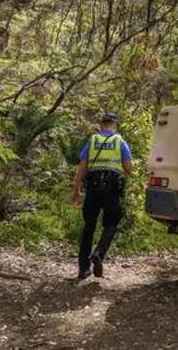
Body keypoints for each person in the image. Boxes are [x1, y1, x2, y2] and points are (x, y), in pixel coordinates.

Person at [72, 113, 133, 279]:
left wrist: (76, 188)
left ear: (101, 125)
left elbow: (82, 166)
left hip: (92, 188)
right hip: (111, 188)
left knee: (88, 227)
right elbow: (129, 167)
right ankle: (99, 252)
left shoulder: (92, 141)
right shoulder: (119, 142)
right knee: (113, 221)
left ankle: (83, 269)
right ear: (115, 125)